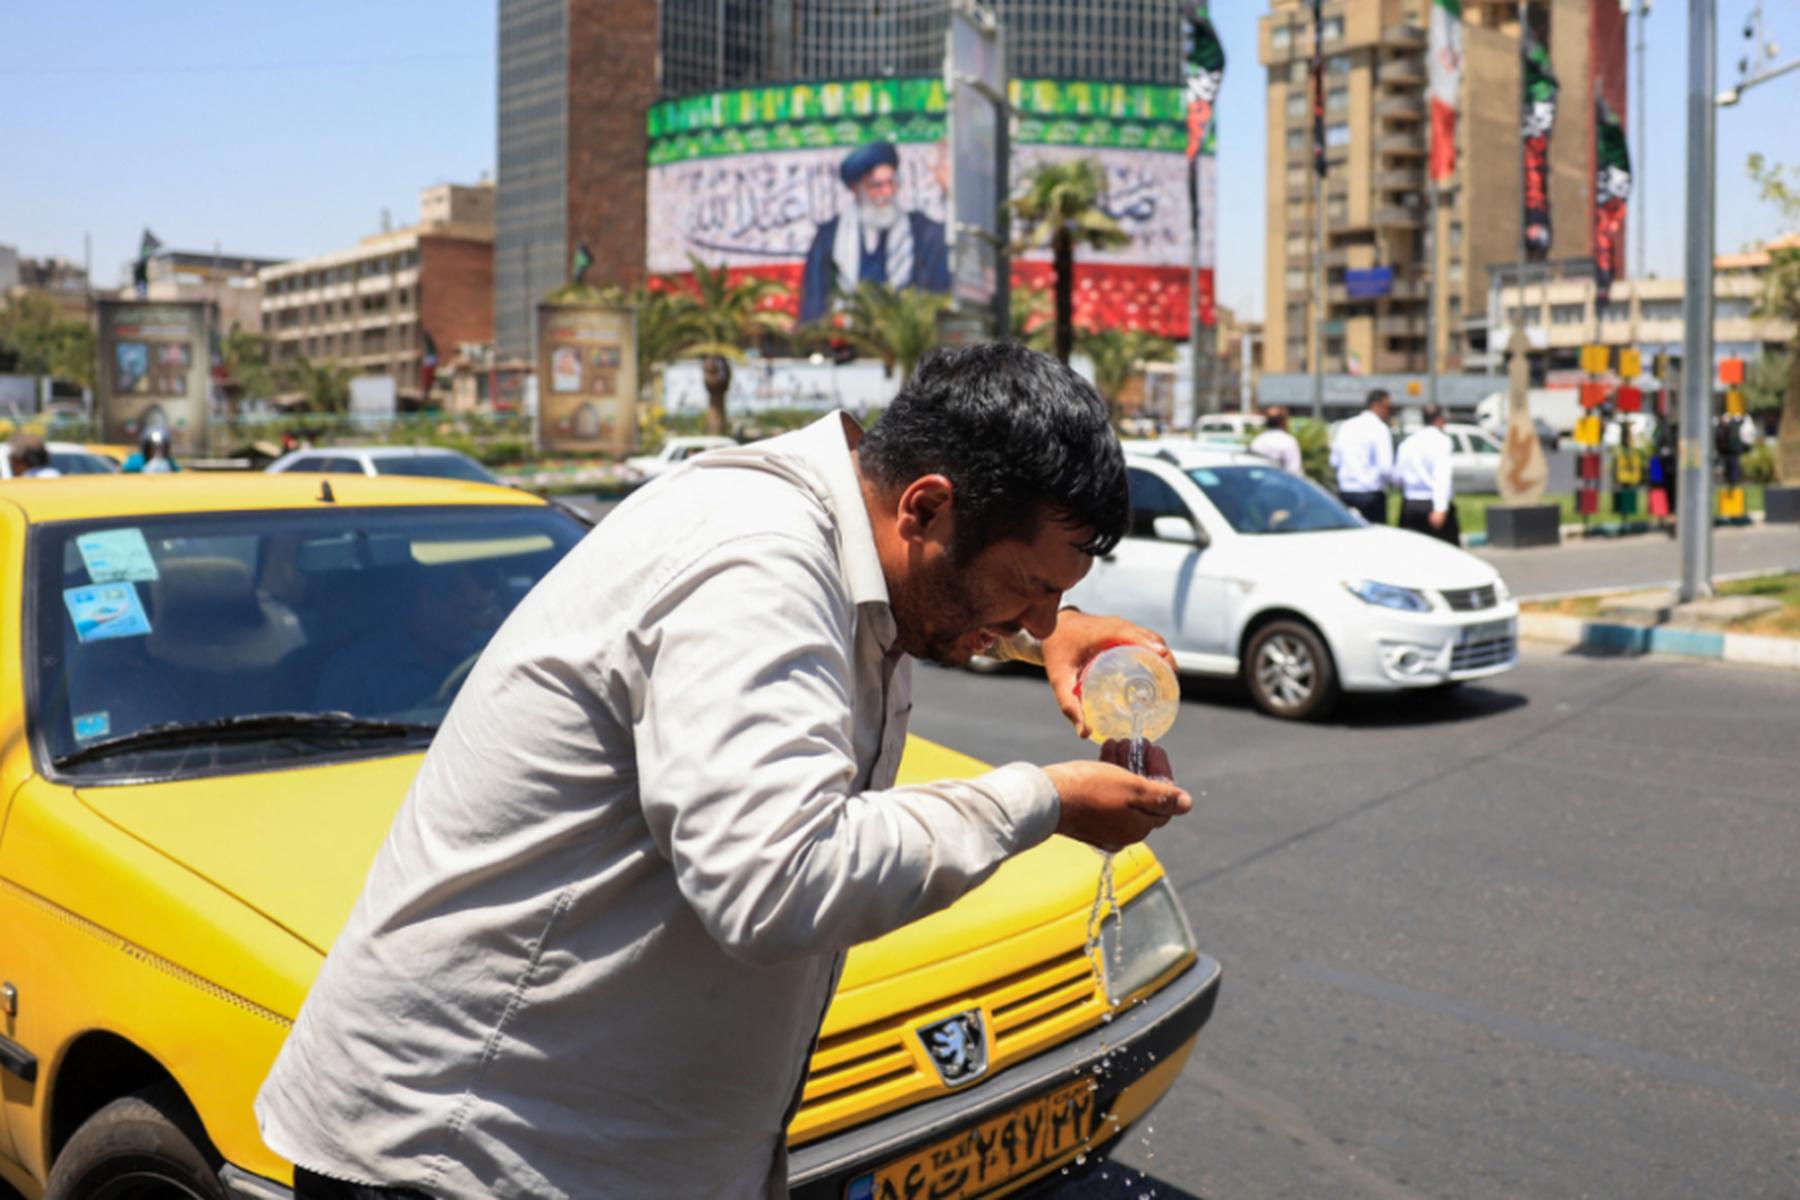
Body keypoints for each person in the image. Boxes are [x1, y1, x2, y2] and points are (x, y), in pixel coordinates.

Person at [256, 343, 1192, 1199]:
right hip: (462, 1159)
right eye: (1033, 585)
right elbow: (776, 880)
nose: (1038, 616)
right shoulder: (756, 566)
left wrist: (1052, 633)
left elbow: (906, 597)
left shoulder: (837, 519)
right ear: (929, 504)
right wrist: (1045, 799)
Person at [313, 564, 499, 717]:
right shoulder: (355, 672)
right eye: (468, 611)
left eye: (485, 611)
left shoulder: (485, 655)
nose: (479, 623)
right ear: (427, 600)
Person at [798, 139, 951, 323]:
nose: (887, 192)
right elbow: (814, 306)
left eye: (892, 182)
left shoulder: (924, 233)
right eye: (876, 186)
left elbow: (938, 300)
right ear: (856, 189)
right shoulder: (829, 238)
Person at [1394, 403, 1460, 545]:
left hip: (1410, 504)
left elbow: (1397, 477)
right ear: (1440, 419)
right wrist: (1440, 508)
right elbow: (1442, 476)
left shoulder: (1408, 442)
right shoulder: (1442, 441)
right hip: (1432, 504)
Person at [1331, 388, 1395, 525]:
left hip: (1346, 493)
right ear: (1378, 405)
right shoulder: (1380, 428)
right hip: (1370, 495)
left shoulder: (1346, 426)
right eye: (1388, 407)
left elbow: (1334, 461)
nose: (1390, 411)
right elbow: (1385, 467)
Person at [1248, 406, 1303, 475]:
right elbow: (1294, 471)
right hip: (1282, 484)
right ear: (1283, 422)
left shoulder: (1258, 441)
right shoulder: (1288, 441)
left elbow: (1252, 469)